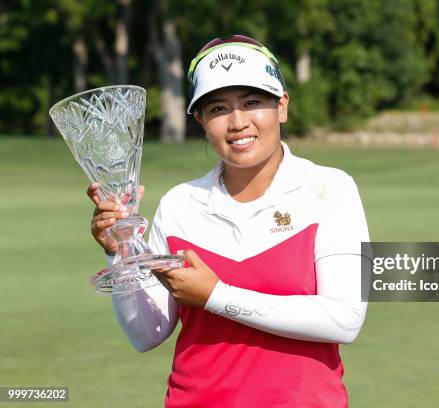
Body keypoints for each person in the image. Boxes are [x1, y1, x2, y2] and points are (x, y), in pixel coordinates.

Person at [86, 34, 371, 407]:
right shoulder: (180, 204)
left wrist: (216, 297)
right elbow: (147, 333)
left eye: (252, 102)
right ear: (200, 120)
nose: (237, 122)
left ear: (282, 106)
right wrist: (120, 251)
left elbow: (344, 318)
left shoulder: (329, 188)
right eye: (218, 108)